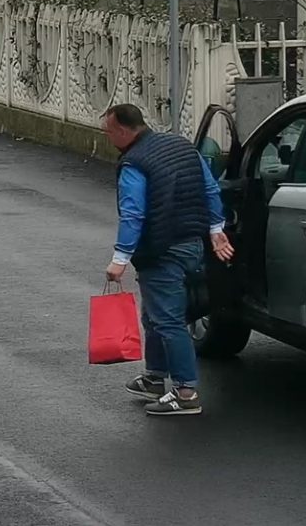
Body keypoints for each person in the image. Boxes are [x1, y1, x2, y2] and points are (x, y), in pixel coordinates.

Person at [100, 104, 234, 416]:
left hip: (162, 251)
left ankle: (185, 392)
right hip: (193, 245)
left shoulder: (134, 163)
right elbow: (210, 187)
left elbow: (133, 213)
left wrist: (120, 258)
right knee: (156, 315)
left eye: (108, 132)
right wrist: (216, 229)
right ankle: (155, 377)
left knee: (168, 320)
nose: (107, 137)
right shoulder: (181, 145)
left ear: (122, 130)